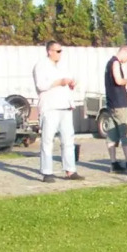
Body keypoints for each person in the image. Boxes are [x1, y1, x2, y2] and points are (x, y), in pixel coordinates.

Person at [33, 41, 82, 183]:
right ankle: (47, 171)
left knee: (68, 140)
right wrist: (59, 82)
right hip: (50, 107)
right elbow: (41, 85)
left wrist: (71, 84)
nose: (60, 54)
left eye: (61, 51)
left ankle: (70, 170)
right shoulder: (41, 65)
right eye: (58, 51)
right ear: (50, 51)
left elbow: (68, 83)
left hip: (65, 106)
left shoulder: (62, 66)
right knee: (47, 140)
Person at [103, 45, 127, 174]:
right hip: (120, 104)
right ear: (125, 52)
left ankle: (113, 163)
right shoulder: (116, 63)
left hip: (111, 104)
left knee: (112, 133)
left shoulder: (108, 63)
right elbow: (118, 80)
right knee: (126, 130)